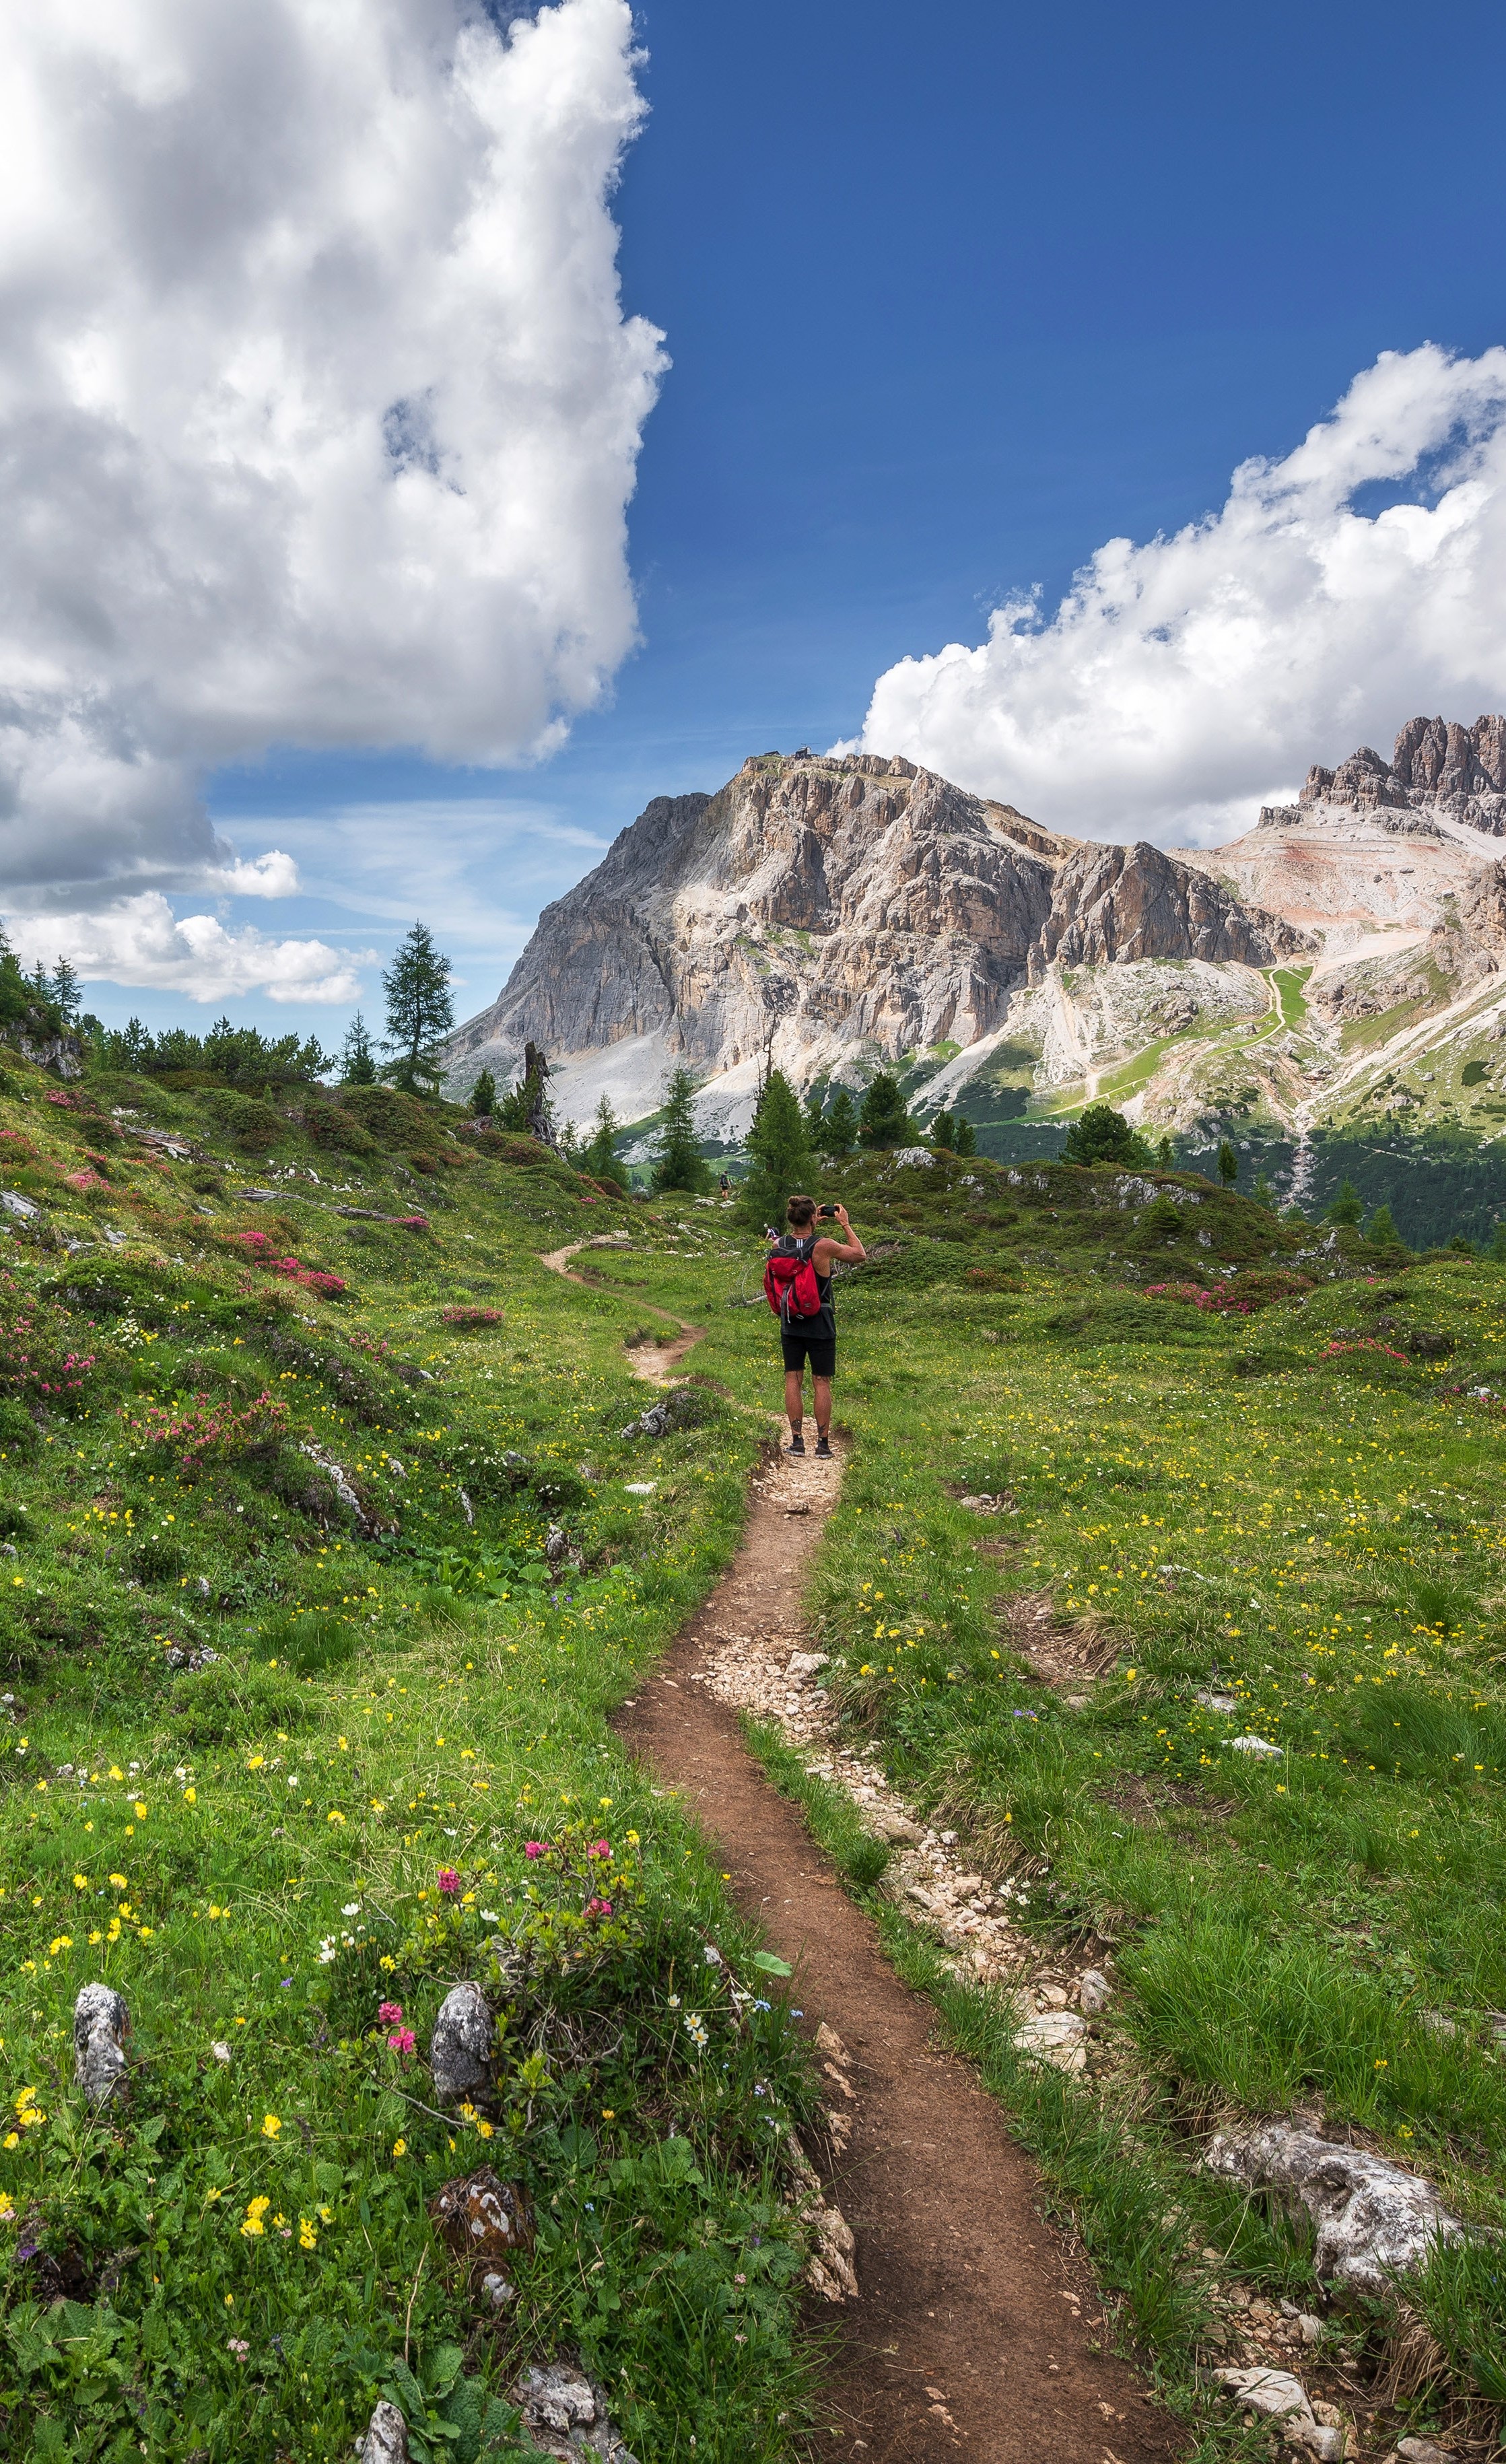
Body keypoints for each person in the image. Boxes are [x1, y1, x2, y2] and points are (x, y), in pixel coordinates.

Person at [767, 1193, 865, 1457]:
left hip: (790, 1320)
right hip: (819, 1320)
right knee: (821, 1381)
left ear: (791, 1219)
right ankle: (823, 1445)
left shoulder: (778, 1244)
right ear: (813, 1217)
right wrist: (844, 1223)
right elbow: (859, 1255)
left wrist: (810, 1224)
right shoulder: (823, 1246)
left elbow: (798, 1245)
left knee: (793, 1378)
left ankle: (797, 1441)